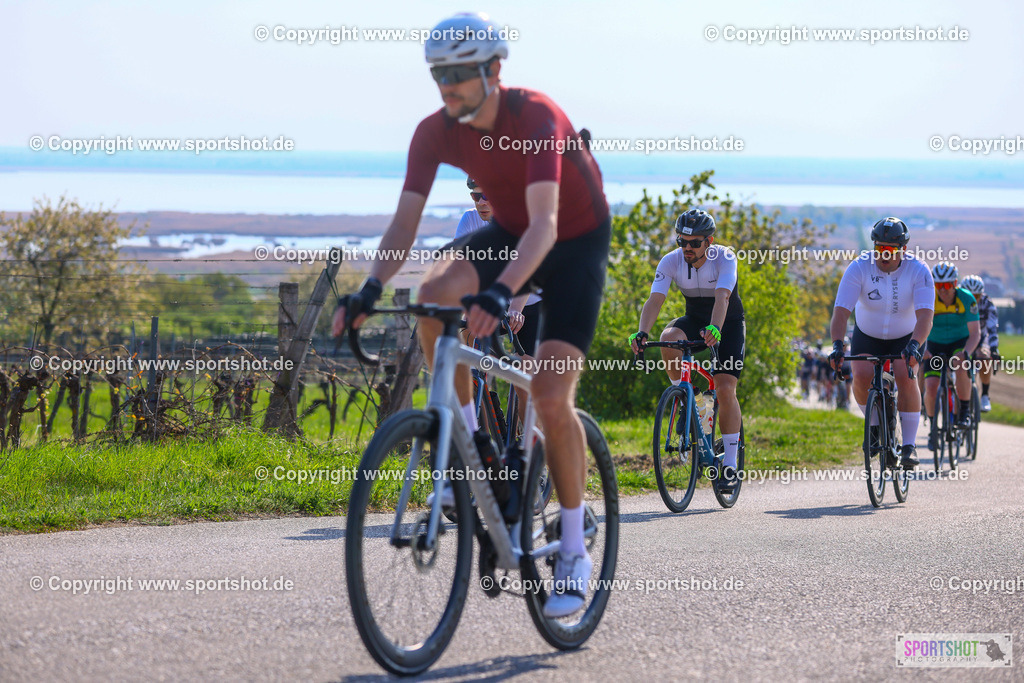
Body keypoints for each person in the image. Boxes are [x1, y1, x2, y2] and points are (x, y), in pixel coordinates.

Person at [332, 12, 610, 619]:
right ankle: (473, 443)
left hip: (572, 244)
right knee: (432, 296)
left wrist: (501, 291)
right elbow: (405, 222)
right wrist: (369, 287)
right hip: (512, 232)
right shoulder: (435, 130)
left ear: (493, 69)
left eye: (459, 73)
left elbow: (547, 226)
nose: (448, 86)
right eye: (439, 75)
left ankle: (571, 546)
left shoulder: (535, 116)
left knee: (550, 394)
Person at [629, 209, 745, 488]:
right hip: (694, 319)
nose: (687, 248)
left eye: (694, 242)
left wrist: (715, 327)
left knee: (725, 387)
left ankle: (730, 463)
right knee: (668, 337)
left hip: (726, 322)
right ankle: (684, 396)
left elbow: (723, 296)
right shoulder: (671, 261)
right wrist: (642, 332)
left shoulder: (725, 257)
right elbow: (655, 299)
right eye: (682, 241)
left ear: (710, 241)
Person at [828, 217, 934, 469]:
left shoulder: (919, 270)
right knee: (861, 374)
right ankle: (874, 426)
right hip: (868, 334)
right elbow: (841, 312)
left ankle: (909, 445)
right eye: (879, 249)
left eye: (890, 250)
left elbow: (926, 317)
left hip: (906, 337)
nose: (883, 255)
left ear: (903, 250)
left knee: (905, 375)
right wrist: (837, 345)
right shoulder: (859, 268)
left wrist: (915, 346)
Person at [458, 176, 543, 357]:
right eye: (475, 197)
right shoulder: (470, 219)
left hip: (529, 301)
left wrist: (515, 310)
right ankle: (476, 381)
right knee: (466, 338)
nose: (481, 202)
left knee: (525, 373)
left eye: (487, 196)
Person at [923, 262, 981, 444]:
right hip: (934, 344)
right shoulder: (928, 298)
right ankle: (933, 428)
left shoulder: (967, 299)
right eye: (938, 285)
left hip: (959, 342)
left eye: (947, 285)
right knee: (931, 386)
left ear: (955, 283)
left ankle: (964, 412)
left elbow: (975, 333)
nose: (943, 290)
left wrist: (966, 352)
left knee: (961, 363)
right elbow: (916, 325)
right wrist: (922, 349)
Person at [961, 274, 999, 412]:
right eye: (970, 295)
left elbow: (992, 328)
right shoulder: (957, 301)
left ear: (981, 294)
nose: (973, 299)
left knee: (984, 357)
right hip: (962, 337)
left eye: (976, 296)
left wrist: (994, 349)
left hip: (981, 338)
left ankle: (984, 395)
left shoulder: (987, 303)